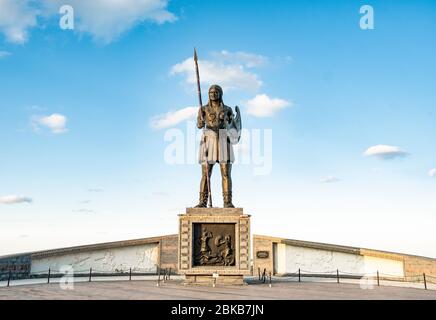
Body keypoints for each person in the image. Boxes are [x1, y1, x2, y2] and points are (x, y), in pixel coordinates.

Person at [195, 84, 241, 208]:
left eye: (216, 92)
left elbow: (233, 128)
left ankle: (227, 201)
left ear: (221, 94)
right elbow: (199, 125)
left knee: (225, 173)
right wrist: (200, 119)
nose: (213, 94)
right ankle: (202, 202)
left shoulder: (227, 109)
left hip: (223, 139)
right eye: (211, 92)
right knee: (205, 174)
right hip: (208, 139)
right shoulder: (203, 109)